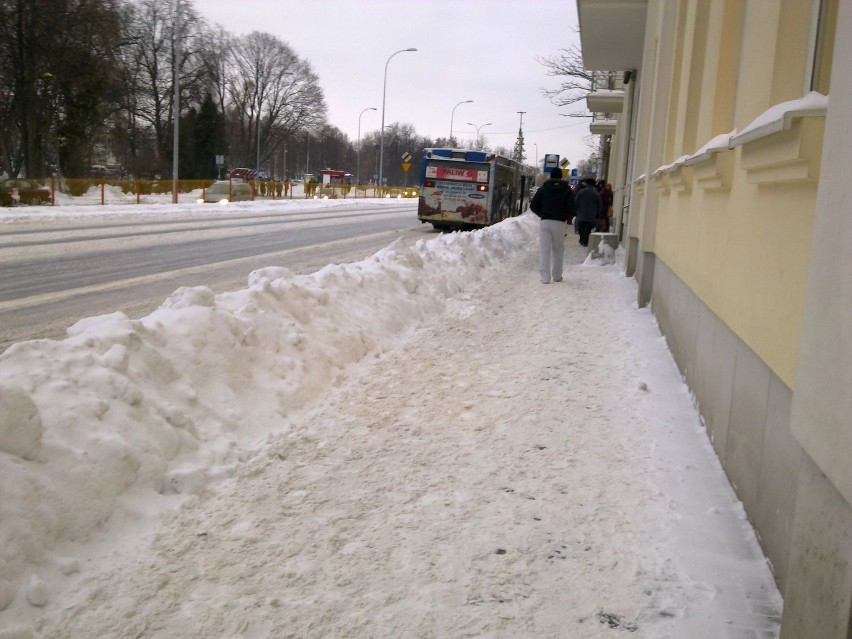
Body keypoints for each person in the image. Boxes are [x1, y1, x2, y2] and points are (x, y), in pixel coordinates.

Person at [529, 167, 575, 284]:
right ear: (561, 176)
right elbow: (572, 207)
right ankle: (557, 275)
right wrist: (567, 216)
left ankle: (545, 277)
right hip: (559, 222)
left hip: (545, 221)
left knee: (545, 249)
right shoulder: (567, 190)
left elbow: (533, 205)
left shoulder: (543, 189)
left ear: (551, 175)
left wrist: (542, 214)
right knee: (558, 249)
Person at [574, 178, 601, 247]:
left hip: (581, 213)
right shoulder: (596, 193)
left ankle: (581, 239)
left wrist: (575, 210)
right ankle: (585, 241)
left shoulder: (581, 192)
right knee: (588, 228)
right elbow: (599, 204)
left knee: (581, 227)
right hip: (591, 214)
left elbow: (576, 201)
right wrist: (597, 214)